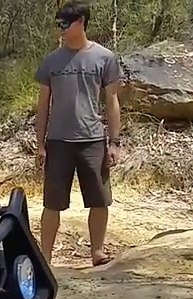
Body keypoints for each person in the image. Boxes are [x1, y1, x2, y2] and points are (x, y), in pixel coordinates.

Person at [34, 1, 124, 266]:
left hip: (93, 140)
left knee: (99, 199)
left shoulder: (104, 57)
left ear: (81, 22)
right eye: (58, 23)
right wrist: (40, 143)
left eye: (66, 23)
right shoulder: (51, 60)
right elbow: (42, 106)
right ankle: (45, 257)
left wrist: (115, 141)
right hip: (58, 141)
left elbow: (112, 101)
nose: (60, 28)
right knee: (52, 203)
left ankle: (97, 251)